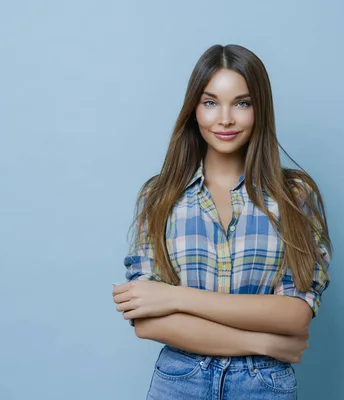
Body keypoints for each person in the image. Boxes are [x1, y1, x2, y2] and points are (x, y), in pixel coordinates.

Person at [112, 44, 332, 400]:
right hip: (178, 382)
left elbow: (295, 315)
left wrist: (174, 297)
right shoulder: (160, 197)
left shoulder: (295, 196)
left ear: (260, 110)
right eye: (210, 102)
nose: (225, 118)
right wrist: (260, 341)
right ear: (193, 110)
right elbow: (148, 320)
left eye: (242, 103)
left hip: (264, 386)